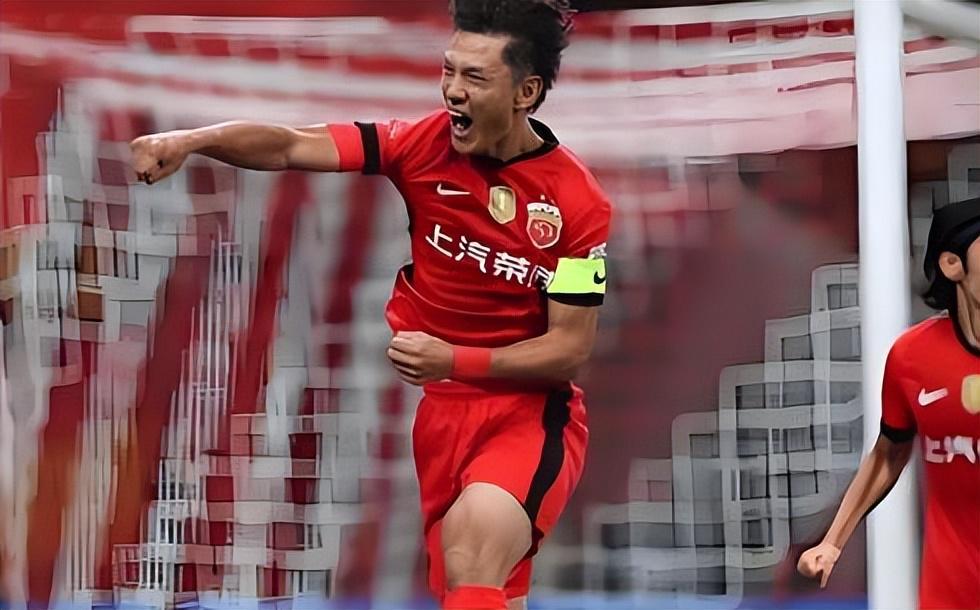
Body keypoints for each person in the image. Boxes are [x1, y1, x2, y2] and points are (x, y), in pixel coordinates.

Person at [130, 2, 610, 609]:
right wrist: (191, 140)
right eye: (449, 71)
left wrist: (454, 359)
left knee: (472, 549)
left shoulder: (576, 204)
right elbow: (290, 145)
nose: (453, 91)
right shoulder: (419, 146)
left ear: (526, 92)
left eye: (475, 77)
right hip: (441, 416)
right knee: (481, 588)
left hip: (530, 416)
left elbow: (569, 347)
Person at [797, 197, 980, 610]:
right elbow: (888, 453)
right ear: (953, 265)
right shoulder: (912, 357)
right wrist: (832, 542)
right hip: (949, 592)